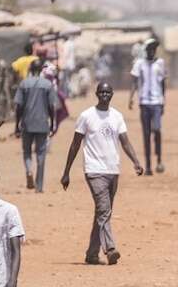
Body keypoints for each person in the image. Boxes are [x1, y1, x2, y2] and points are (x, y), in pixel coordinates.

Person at [60, 82, 143, 266]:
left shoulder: (117, 116)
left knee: (103, 212)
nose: (104, 95)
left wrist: (136, 162)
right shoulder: (86, 116)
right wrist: (66, 172)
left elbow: (125, 142)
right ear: (97, 94)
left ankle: (91, 253)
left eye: (107, 92)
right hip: (94, 170)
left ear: (111, 94)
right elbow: (75, 144)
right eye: (101, 92)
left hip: (113, 170)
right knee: (104, 211)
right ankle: (110, 249)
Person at [14, 59, 60, 192]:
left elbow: (19, 106)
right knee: (41, 154)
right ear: (41, 70)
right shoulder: (47, 84)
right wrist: (52, 123)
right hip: (42, 123)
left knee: (27, 151)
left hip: (27, 123)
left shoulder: (24, 84)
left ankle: (29, 170)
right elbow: (52, 106)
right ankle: (39, 186)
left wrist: (17, 125)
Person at [129, 40, 167, 174]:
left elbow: (162, 83)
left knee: (156, 129)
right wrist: (131, 98)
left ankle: (159, 158)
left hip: (157, 102)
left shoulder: (160, 63)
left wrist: (163, 101)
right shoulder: (140, 64)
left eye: (154, 49)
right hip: (144, 102)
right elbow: (134, 82)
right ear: (146, 50)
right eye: (149, 49)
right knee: (146, 134)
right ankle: (149, 166)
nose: (152, 52)